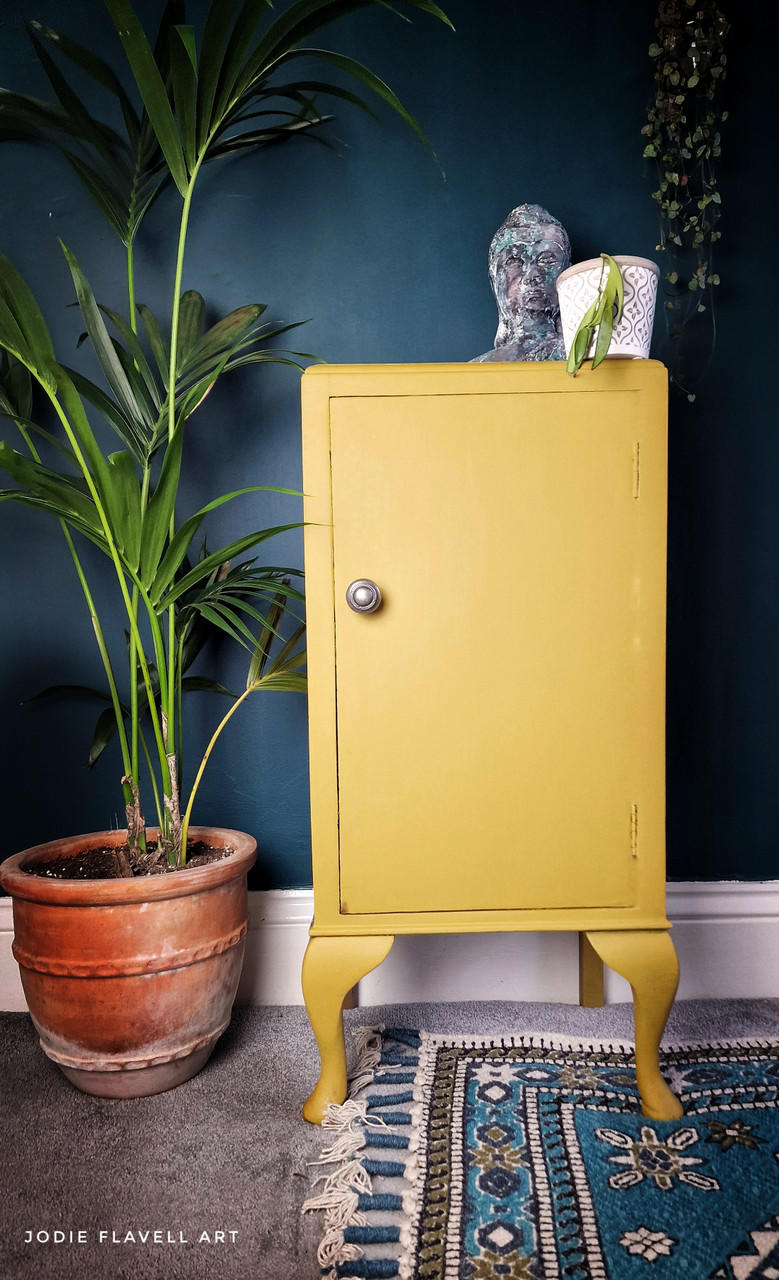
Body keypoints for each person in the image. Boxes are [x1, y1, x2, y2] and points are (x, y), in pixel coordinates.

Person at [474, 203, 571, 362]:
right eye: (514, 261)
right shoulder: (479, 370)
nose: (532, 275)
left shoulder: (584, 356)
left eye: (546, 260)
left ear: (568, 273)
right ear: (495, 280)